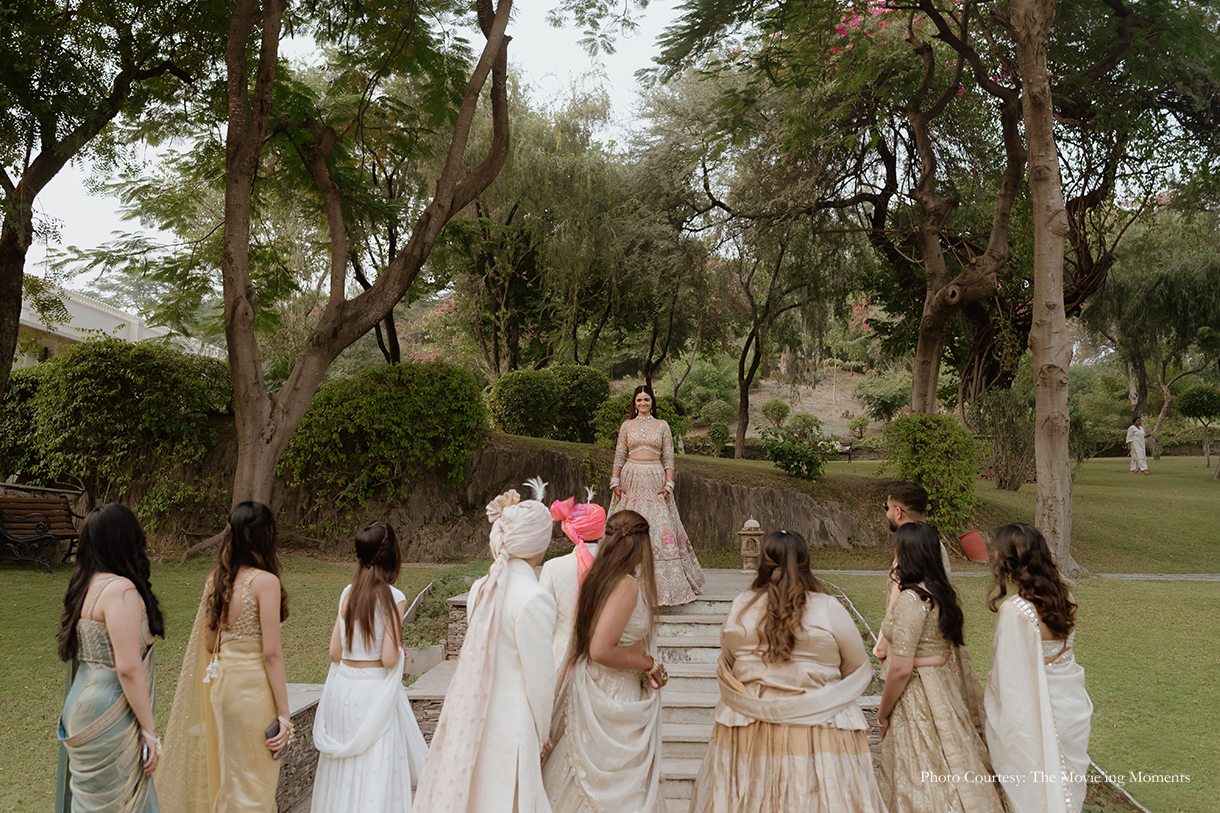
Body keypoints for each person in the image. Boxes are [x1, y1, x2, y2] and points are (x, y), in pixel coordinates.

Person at [688, 530, 884, 813]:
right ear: (806, 561)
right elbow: (855, 667)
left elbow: (729, 659)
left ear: (764, 563)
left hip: (749, 729)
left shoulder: (741, 606)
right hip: (818, 730)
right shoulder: (828, 609)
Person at [414, 478, 558, 813]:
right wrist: (543, 731)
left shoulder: (482, 586)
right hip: (515, 723)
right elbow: (540, 679)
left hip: (474, 715)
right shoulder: (534, 598)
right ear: (541, 543)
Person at [160, 502, 292, 813]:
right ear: (266, 535)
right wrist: (286, 716)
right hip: (253, 690)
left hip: (223, 688)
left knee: (232, 777)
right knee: (256, 782)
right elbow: (272, 655)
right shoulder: (265, 582)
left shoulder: (218, 580)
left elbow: (209, 643)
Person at [542, 510, 666, 813]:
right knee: (615, 784)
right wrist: (648, 663)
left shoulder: (600, 577)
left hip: (595, 685)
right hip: (613, 692)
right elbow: (600, 649)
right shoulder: (626, 585)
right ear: (641, 545)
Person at [877, 522, 1003, 813]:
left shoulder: (912, 599)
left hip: (917, 695)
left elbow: (901, 669)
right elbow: (940, 654)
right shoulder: (939, 594)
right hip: (942, 688)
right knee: (952, 756)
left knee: (921, 768)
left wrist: (883, 715)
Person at [310, 522, 428, 813]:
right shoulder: (394, 597)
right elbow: (388, 658)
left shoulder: (347, 593)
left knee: (343, 773)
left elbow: (335, 652)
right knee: (377, 769)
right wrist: (400, 653)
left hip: (342, 690)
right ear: (391, 554)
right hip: (374, 691)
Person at [56, 504, 165, 813]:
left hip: (82, 701)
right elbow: (128, 668)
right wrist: (150, 731)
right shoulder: (120, 591)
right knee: (118, 804)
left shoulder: (85, 585)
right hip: (110, 708)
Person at [985, 523, 1093, 813]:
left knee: (1034, 784)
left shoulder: (1015, 610)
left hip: (1037, 706)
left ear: (1011, 560)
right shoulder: (1065, 597)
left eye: (998, 551)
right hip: (1069, 703)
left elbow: (1009, 678)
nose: (994, 555)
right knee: (1065, 785)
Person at [609, 384, 704, 606]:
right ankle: (620, 579)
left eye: (647, 399)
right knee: (627, 525)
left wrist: (669, 484)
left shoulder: (662, 426)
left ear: (652, 402)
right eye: (639, 400)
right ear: (634, 403)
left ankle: (667, 584)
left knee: (660, 525)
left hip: (655, 479)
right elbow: (620, 454)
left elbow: (668, 457)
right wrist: (615, 481)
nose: (643, 403)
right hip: (631, 479)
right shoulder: (626, 425)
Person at [874, 481, 951, 661]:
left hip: (910, 650)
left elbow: (899, 597)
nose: (886, 513)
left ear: (898, 512)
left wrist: (882, 645)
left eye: (887, 507)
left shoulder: (913, 549)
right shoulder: (932, 544)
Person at [540, 488, 607, 686]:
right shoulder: (616, 567)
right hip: (605, 666)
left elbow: (543, 619)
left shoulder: (553, 568)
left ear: (570, 531)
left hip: (561, 662)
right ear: (602, 530)